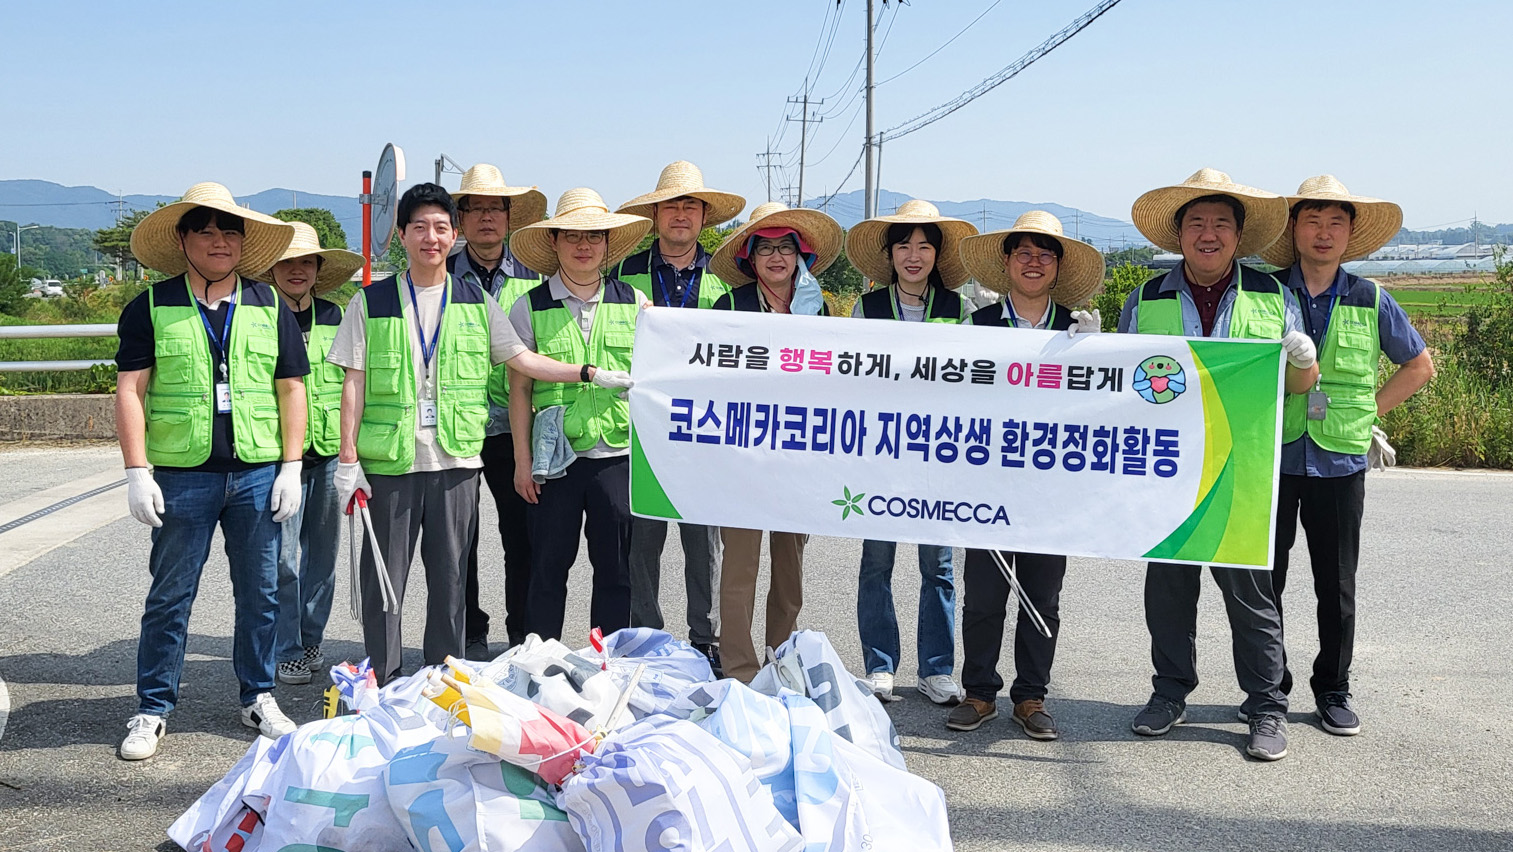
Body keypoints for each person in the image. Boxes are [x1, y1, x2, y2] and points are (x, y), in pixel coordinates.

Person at [328, 183, 627, 684]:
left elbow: (522, 361)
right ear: (402, 235)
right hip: (390, 462)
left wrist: (587, 373)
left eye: (440, 228)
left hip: (456, 460)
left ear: (453, 236)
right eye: (420, 227)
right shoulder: (372, 300)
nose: (431, 237)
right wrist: (347, 458)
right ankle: (383, 681)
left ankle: (440, 680)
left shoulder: (474, 300)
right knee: (385, 582)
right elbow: (353, 381)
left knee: (450, 582)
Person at [1119, 168, 1321, 761]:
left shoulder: (1271, 296)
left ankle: (1265, 707)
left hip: (1245, 469)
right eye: (1196, 224)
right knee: (1169, 591)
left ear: (1237, 237)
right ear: (1178, 235)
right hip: (1167, 471)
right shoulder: (1146, 298)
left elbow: (1300, 384)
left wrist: (1303, 359)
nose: (1208, 235)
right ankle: (1169, 693)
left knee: (1251, 595)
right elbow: (1124, 384)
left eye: (1221, 225)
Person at [114, 182, 303, 760]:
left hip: (255, 471)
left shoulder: (268, 304)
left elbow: (291, 387)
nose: (219, 241)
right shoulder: (151, 305)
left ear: (243, 243)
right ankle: (152, 707)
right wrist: (136, 470)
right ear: (183, 240)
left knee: (262, 592)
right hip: (180, 474)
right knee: (171, 594)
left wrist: (291, 464)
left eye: (229, 231)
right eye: (206, 231)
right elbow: (130, 389)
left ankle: (259, 694)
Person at [1257, 176, 1434, 736]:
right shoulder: (1263, 294)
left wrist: (1369, 415)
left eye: (1336, 222)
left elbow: (1418, 366)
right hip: (1274, 456)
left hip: (1340, 461)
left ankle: (1333, 689)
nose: (1324, 232)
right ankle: (1270, 688)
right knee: (1268, 577)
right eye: (1313, 220)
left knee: (1336, 582)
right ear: (1294, 229)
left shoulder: (1370, 297)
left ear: (1350, 233)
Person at [944, 211, 1103, 738]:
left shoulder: (1078, 329)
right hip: (988, 482)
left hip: (1052, 486)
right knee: (984, 594)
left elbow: (1104, 407)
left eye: (1045, 255)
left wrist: (1099, 353)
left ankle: (1032, 696)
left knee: (1042, 598)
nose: (1034, 263)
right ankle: (979, 693)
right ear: (1007, 263)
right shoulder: (979, 327)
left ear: (1058, 267)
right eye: (1024, 254)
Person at [500, 188, 652, 641]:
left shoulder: (637, 303)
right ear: (554, 242)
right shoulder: (528, 305)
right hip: (555, 462)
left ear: (608, 244)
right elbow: (520, 389)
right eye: (572, 236)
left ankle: (607, 660)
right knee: (547, 567)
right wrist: (522, 462)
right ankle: (540, 660)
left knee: (615, 568)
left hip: (618, 455)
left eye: (594, 237)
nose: (583, 246)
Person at [843, 199, 977, 705]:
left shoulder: (961, 309)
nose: (914, 256)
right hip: (880, 453)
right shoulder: (867, 308)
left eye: (924, 246)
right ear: (890, 255)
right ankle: (880, 666)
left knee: (938, 566)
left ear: (937, 255)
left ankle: (937, 668)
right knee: (876, 561)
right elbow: (851, 376)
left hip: (939, 454)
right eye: (904, 246)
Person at [613, 161, 745, 673]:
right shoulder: (623, 275)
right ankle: (646, 632)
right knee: (642, 538)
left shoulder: (724, 280)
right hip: (642, 424)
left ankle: (705, 636)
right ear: (655, 214)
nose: (681, 214)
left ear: (705, 215)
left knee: (703, 542)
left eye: (691, 205)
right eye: (672, 205)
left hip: (705, 430)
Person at [708, 201, 842, 681]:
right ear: (750, 259)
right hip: (744, 455)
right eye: (765, 249)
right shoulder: (732, 306)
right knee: (739, 568)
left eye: (786, 248)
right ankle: (739, 668)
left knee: (790, 568)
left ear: (800, 256)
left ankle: (781, 657)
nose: (776, 258)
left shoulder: (817, 307)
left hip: (797, 455)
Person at [445, 163, 548, 660]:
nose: (486, 219)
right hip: (454, 426)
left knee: (522, 538)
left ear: (510, 219)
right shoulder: (436, 277)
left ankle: (522, 637)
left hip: (514, 428)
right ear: (460, 220)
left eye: (495, 209)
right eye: (476, 209)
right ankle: (468, 632)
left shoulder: (535, 280)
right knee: (457, 541)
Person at [255, 221, 363, 685]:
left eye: (306, 262)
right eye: (287, 262)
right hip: (277, 454)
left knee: (322, 554)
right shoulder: (256, 315)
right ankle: (287, 647)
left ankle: (312, 637)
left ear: (319, 269)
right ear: (272, 268)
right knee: (281, 558)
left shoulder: (338, 316)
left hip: (327, 454)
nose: (297, 270)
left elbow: (356, 384)